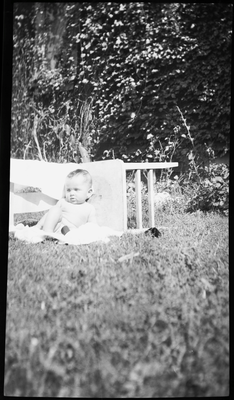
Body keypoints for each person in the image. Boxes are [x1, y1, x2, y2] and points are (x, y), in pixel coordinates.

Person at [35, 169, 97, 234]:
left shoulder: (89, 208)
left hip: (73, 232)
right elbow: (49, 215)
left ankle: (63, 235)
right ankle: (47, 232)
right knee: (54, 209)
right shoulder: (63, 202)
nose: (71, 193)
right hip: (56, 227)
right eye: (68, 190)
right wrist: (38, 226)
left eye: (76, 189)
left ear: (89, 192)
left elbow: (92, 225)